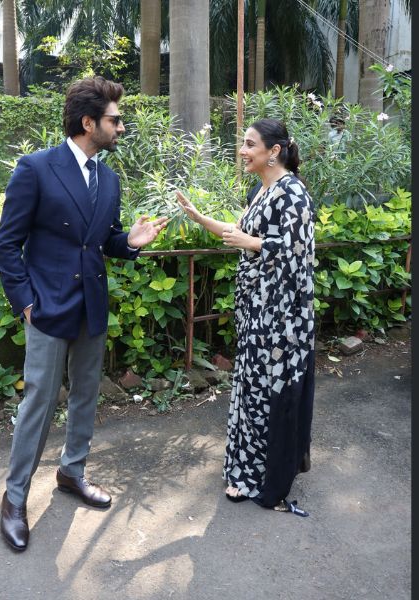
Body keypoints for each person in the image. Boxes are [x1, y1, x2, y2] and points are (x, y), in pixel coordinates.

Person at [0, 76, 169, 551]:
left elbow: (103, 240)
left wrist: (130, 242)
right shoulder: (36, 168)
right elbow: (7, 245)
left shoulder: (108, 178)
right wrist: (26, 303)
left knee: (86, 395)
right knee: (39, 403)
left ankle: (71, 472)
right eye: (115, 119)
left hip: (92, 306)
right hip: (48, 309)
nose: (121, 127)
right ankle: (14, 498)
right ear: (89, 123)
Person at [176, 118, 316, 513]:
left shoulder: (293, 193)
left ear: (274, 151)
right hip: (256, 311)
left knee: (270, 392)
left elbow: (296, 253)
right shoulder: (262, 190)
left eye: (250, 144)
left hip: (282, 318)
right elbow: (236, 232)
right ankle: (245, 470)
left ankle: (263, 477)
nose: (243, 150)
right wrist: (198, 217)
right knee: (251, 387)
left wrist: (251, 242)